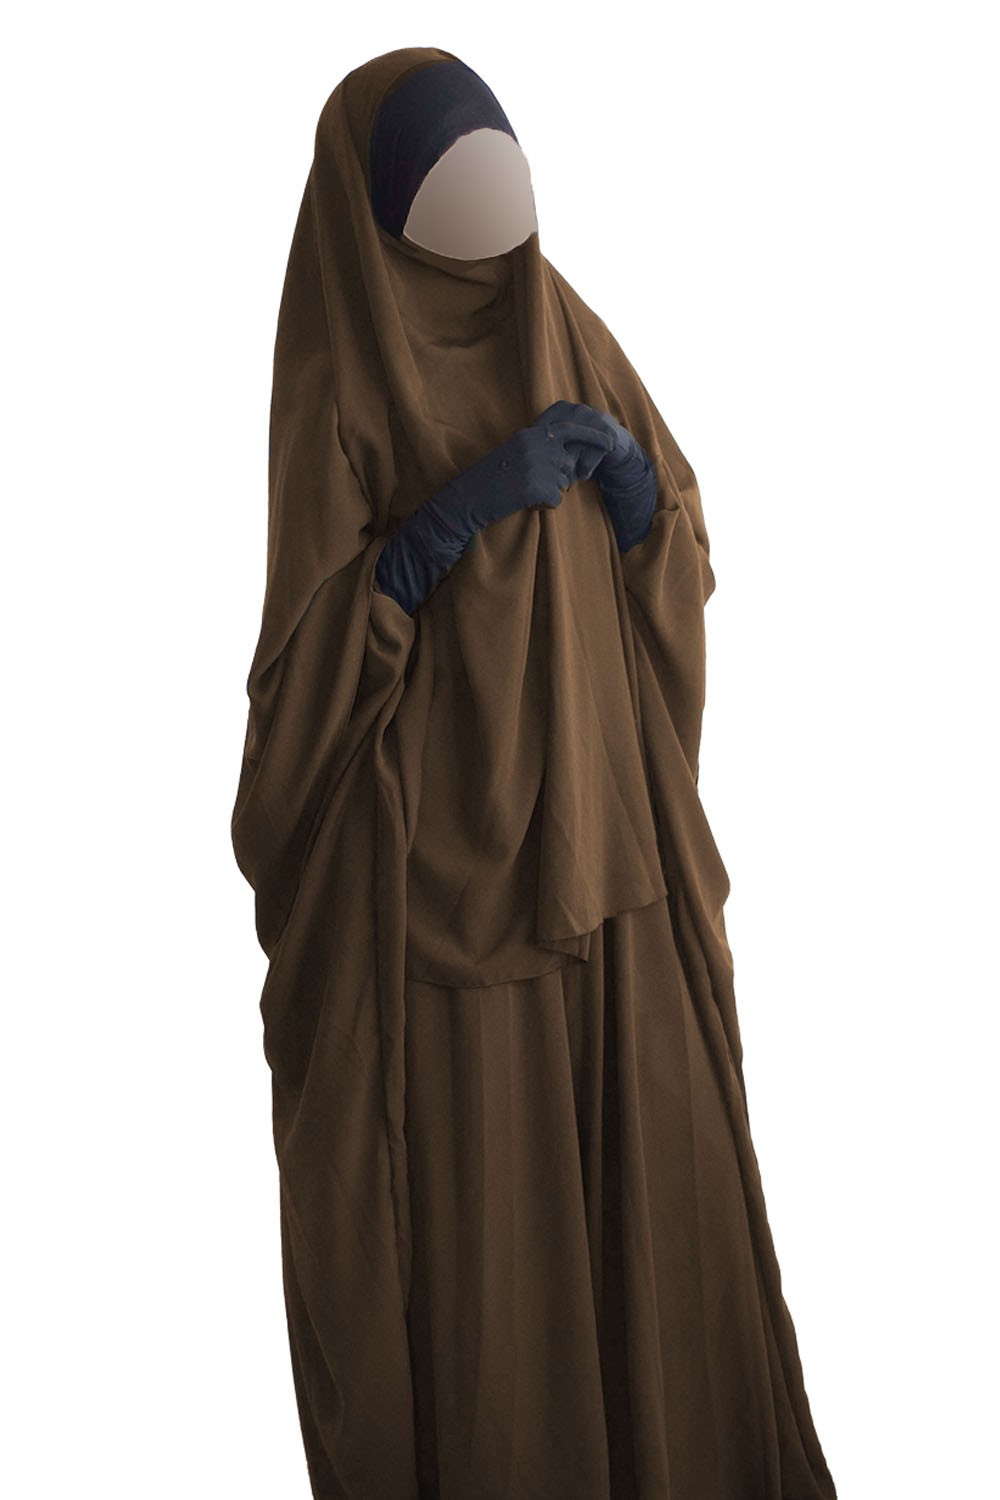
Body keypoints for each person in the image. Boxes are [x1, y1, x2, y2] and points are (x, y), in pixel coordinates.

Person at [231, 45, 839, 1500]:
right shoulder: (345, 378)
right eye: (452, 207)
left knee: (667, 1258)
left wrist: (641, 517)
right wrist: (424, 551)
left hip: (614, 882)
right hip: (448, 927)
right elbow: (295, 719)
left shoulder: (557, 321)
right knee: (500, 1318)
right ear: (377, 220)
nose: (491, 253)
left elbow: (676, 538)